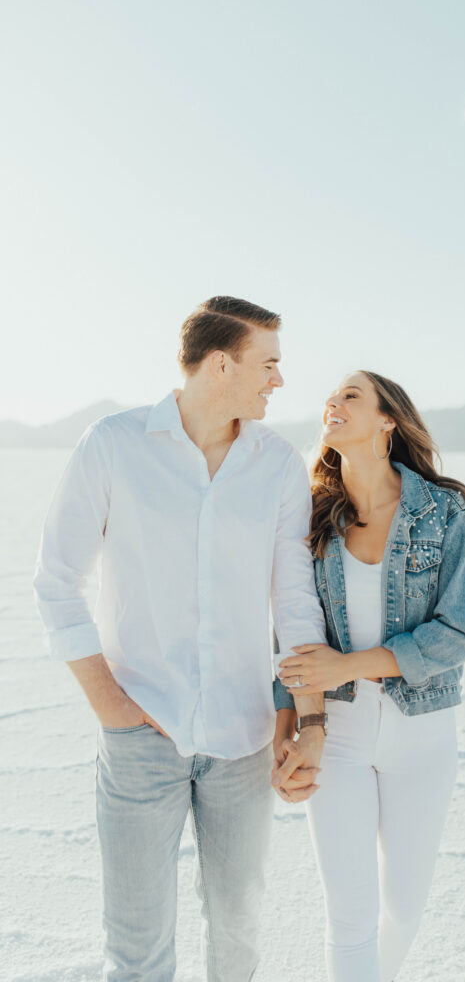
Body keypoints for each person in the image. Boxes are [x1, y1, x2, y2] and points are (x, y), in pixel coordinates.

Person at [33, 296, 327, 982]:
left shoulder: (279, 464)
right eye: (269, 364)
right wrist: (110, 704)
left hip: (245, 738)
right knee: (135, 952)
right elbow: (54, 581)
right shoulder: (112, 444)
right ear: (220, 363)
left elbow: (294, 604)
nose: (278, 381)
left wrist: (307, 720)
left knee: (239, 938)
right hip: (140, 734)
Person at [272, 370, 465, 982]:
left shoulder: (441, 511)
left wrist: (348, 664)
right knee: (348, 913)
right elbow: (289, 628)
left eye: (350, 395)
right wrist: (289, 720)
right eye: (329, 397)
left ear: (386, 421)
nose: (332, 403)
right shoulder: (309, 516)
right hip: (338, 734)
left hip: (422, 736)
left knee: (402, 907)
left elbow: (457, 635)